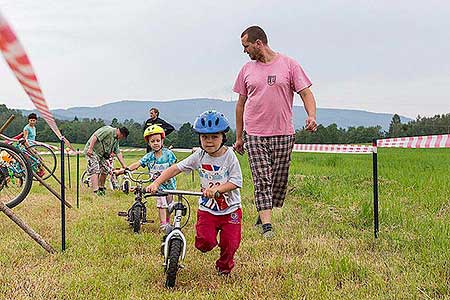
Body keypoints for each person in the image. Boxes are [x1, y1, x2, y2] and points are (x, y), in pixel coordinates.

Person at [233, 25, 317, 239]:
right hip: (255, 133)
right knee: (262, 178)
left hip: (283, 133)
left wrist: (311, 116)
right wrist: (240, 136)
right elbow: (240, 104)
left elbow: (306, 93)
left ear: (258, 43)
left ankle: (264, 213)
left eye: (246, 46)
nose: (245, 51)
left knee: (278, 180)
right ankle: (267, 226)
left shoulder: (289, 65)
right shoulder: (246, 70)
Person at [146, 110, 242, 276]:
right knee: (204, 243)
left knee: (230, 244)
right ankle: (207, 243)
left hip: (230, 209)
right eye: (205, 137)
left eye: (214, 137)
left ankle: (224, 268)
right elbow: (175, 168)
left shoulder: (229, 156)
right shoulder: (199, 155)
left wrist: (217, 189)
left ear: (223, 137)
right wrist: (156, 182)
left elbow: (236, 182)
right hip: (207, 209)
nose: (209, 141)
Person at [115, 125, 177, 232]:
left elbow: (175, 168)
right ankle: (164, 225)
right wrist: (123, 170)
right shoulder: (149, 156)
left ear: (162, 140)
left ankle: (168, 221)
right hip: (157, 186)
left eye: (158, 140)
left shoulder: (169, 154)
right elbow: (137, 164)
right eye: (152, 141)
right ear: (149, 143)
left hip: (170, 185)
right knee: (162, 204)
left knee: (170, 206)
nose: (156, 143)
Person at [84, 126, 129, 196]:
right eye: (122, 137)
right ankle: (95, 191)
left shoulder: (116, 140)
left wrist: (124, 165)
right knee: (95, 169)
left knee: (105, 170)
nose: (121, 138)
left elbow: (118, 152)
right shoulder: (108, 130)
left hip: (101, 155)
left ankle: (101, 188)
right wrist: (90, 149)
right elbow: (95, 137)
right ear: (121, 133)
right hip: (93, 151)